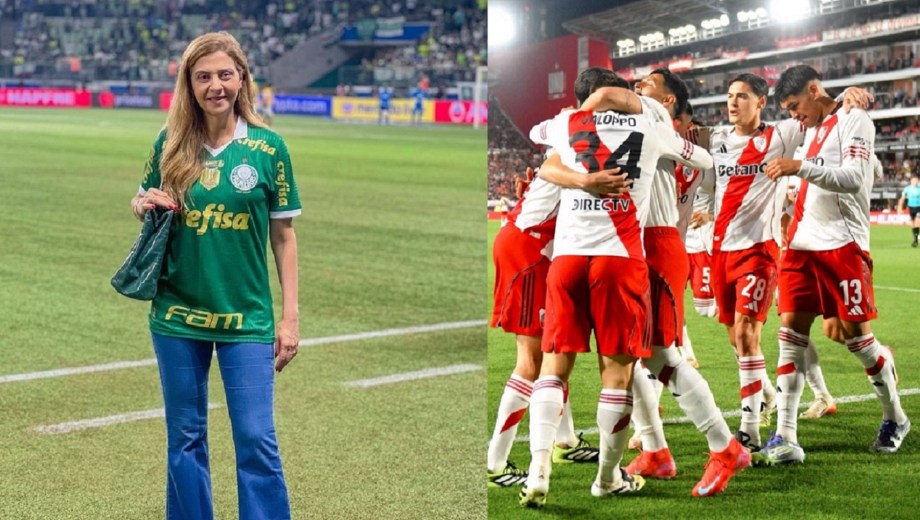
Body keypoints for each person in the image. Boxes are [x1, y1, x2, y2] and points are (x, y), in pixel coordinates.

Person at [520, 69, 720, 508]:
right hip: (620, 258)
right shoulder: (653, 123)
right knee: (618, 375)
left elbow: (541, 138)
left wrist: (580, 139)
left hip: (568, 259)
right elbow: (703, 160)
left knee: (553, 370)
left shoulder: (566, 123)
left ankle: (538, 470)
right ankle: (608, 478)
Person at [130, 31, 300, 519]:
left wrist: (289, 320)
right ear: (189, 83)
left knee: (255, 439)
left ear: (241, 78)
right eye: (203, 77)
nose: (215, 86)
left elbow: (283, 237)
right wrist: (143, 203)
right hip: (177, 316)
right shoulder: (170, 143)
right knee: (184, 438)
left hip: (246, 318)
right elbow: (142, 197)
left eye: (225, 74)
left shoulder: (269, 149)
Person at [760, 64, 908, 464]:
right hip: (802, 246)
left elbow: (854, 179)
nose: (793, 114)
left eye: (795, 105)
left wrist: (799, 167)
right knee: (790, 335)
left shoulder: (854, 117)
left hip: (843, 246)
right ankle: (785, 436)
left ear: (813, 89)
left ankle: (895, 417)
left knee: (857, 340)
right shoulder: (807, 129)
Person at [897, 175, 920, 246]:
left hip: (918, 207)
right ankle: (915, 239)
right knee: (912, 223)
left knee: (917, 222)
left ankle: (917, 238)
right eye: (913, 180)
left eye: (916, 180)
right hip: (911, 207)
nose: (915, 182)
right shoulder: (907, 189)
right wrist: (899, 208)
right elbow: (902, 199)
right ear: (911, 181)